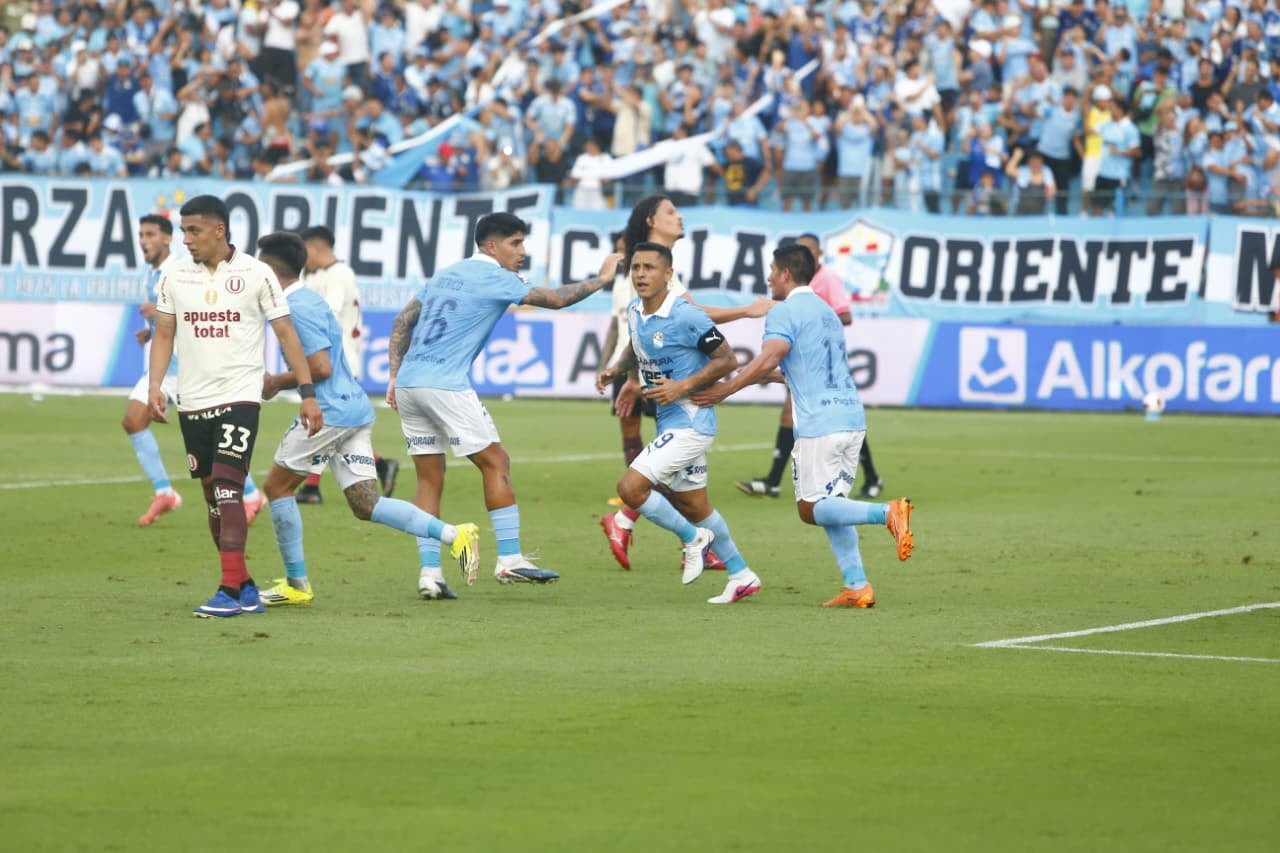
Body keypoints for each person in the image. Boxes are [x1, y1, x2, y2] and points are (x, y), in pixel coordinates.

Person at [386, 212, 623, 585]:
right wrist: (604, 278)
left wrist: (394, 375)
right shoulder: (495, 277)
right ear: (492, 246)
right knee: (496, 462)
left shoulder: (445, 274)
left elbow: (402, 321)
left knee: (429, 478)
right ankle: (510, 558)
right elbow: (556, 299)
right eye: (516, 243)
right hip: (445, 384)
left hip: (409, 384)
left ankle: (430, 574)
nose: (523, 251)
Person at [251, 232, 480, 605]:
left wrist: (276, 381)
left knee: (277, 487)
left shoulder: (297, 307)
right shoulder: (310, 298)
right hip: (354, 409)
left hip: (331, 411)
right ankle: (455, 535)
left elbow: (320, 367)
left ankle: (296, 584)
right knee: (366, 504)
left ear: (268, 271)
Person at [692, 244, 914, 608]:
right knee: (834, 505)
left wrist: (726, 389)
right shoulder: (827, 312)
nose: (768, 278)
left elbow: (770, 357)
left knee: (811, 509)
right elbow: (799, 369)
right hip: (851, 418)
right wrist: (755, 376)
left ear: (785, 274)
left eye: (771, 270)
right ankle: (857, 585)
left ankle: (888, 512)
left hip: (819, 425)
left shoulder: (784, 311)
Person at [147, 194, 323, 618]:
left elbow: (285, 333)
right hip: (193, 398)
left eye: (194, 230)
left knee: (229, 486)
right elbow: (165, 333)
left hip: (239, 396)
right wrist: (155, 385)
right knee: (212, 492)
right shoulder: (174, 276)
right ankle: (243, 586)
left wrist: (307, 392)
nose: (186, 239)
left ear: (219, 230)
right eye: (184, 231)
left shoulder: (256, 273)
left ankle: (227, 589)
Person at [597, 194, 770, 571]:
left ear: (665, 272)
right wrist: (747, 310)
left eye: (647, 268)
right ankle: (709, 553)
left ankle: (639, 525)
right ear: (651, 221)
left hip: (671, 386)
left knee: (663, 481)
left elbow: (686, 318)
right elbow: (676, 317)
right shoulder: (649, 268)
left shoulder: (656, 269)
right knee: (667, 482)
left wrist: (630, 373)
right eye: (671, 212)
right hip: (659, 377)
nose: (679, 217)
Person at [127, 213, 267, 527]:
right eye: (141, 235)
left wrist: (159, 315)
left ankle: (251, 494)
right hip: (166, 367)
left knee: (214, 444)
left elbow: (204, 313)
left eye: (151, 234)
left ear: (167, 239)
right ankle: (164, 492)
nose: (144, 241)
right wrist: (151, 330)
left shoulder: (181, 271)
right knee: (133, 420)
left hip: (191, 368)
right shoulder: (151, 274)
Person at [736, 234, 886, 499]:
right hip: (804, 359)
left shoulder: (827, 278)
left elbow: (844, 315)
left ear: (818, 254)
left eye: (807, 249)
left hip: (816, 359)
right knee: (799, 415)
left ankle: (873, 482)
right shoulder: (799, 287)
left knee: (826, 422)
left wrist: (726, 388)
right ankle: (774, 481)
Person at [294, 225, 400, 504]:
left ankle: (312, 487)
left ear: (315, 248)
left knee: (324, 421)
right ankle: (379, 464)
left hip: (338, 360)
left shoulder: (340, 273)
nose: (303, 259)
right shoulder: (320, 274)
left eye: (305, 252)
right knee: (329, 424)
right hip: (327, 358)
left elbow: (328, 311)